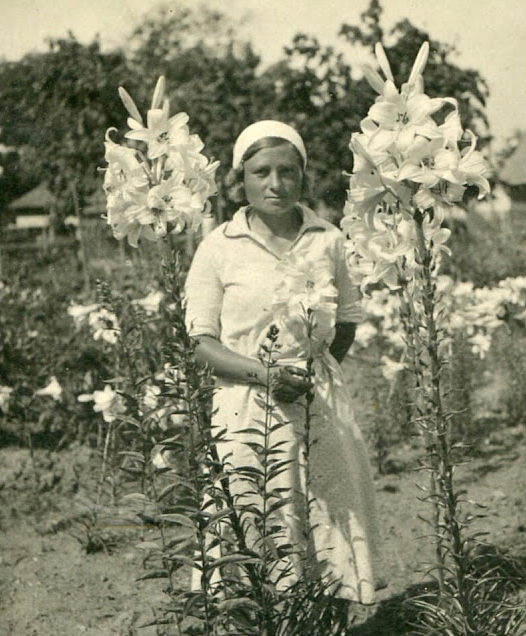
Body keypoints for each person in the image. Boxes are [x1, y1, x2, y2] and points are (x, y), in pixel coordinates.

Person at [184, 120, 382, 604]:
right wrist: (268, 375)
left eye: (288, 171)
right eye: (261, 172)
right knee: (255, 522)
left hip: (318, 404)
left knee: (328, 519)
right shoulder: (218, 247)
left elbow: (349, 320)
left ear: (303, 176)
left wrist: (312, 370)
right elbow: (200, 343)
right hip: (245, 407)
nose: (276, 184)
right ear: (241, 180)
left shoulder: (327, 239)